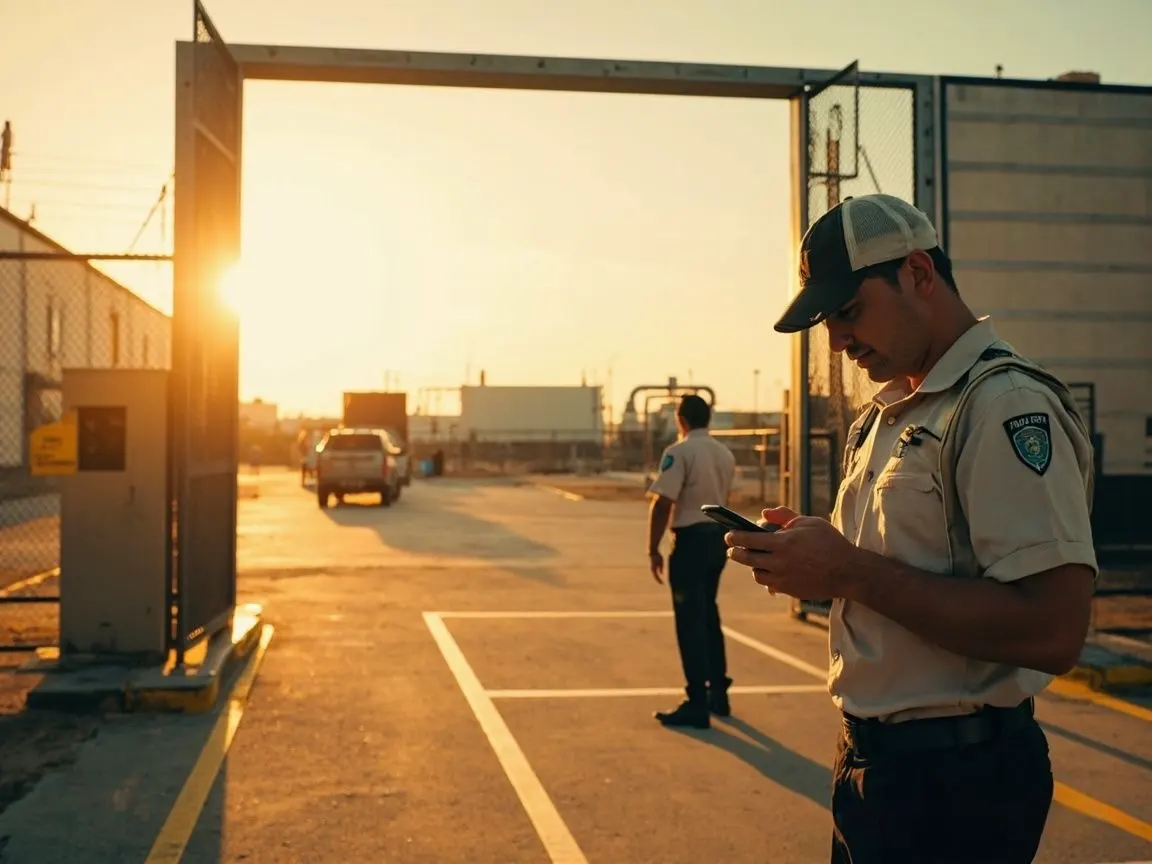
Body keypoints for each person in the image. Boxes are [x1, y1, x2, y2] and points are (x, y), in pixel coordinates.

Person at [725, 193, 1096, 863]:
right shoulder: (887, 416)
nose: (836, 341)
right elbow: (885, 575)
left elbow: (1053, 628)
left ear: (919, 274)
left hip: (958, 786)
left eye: (848, 312)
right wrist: (813, 556)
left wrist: (844, 570)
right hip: (876, 767)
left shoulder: (1003, 405)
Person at [646, 394, 738, 729]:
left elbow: (663, 502)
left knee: (689, 619)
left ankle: (696, 700)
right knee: (709, 613)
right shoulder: (723, 453)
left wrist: (653, 548)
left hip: (691, 541)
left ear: (680, 419)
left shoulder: (679, 452)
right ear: (709, 418)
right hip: (717, 538)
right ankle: (719, 691)